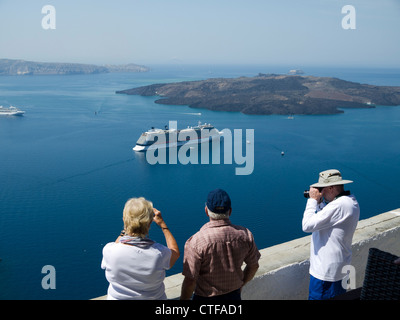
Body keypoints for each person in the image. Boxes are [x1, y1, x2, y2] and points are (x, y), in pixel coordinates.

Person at [180, 188, 260, 300]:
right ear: (230, 211)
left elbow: (190, 280)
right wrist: (241, 284)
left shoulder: (197, 241)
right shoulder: (245, 235)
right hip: (234, 296)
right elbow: (254, 266)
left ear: (206, 211)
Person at [101, 197, 180, 300]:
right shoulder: (159, 253)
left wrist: (127, 226)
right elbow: (175, 252)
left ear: (124, 220)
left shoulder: (109, 250)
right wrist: (162, 224)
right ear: (150, 223)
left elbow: (118, 245)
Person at [302, 169, 360, 300]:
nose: (321, 192)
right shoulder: (350, 201)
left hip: (326, 274)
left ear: (332, 188)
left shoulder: (339, 205)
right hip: (339, 269)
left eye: (323, 189)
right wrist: (320, 202)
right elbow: (328, 217)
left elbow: (307, 225)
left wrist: (311, 201)